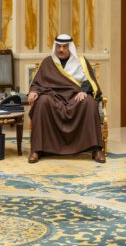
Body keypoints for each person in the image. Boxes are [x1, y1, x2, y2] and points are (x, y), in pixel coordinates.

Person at [27, 34, 105, 164]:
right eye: (58, 46)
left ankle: (96, 149)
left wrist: (83, 91)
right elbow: (38, 82)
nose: (61, 49)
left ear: (70, 48)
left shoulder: (80, 61)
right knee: (42, 102)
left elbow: (90, 81)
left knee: (89, 102)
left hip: (75, 97)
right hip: (53, 97)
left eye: (64, 47)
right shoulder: (48, 62)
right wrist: (34, 91)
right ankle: (37, 149)